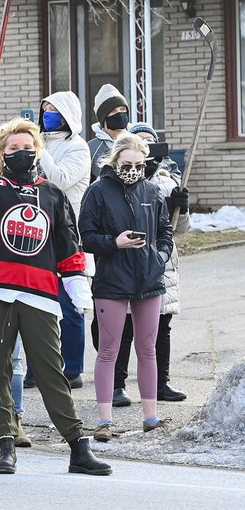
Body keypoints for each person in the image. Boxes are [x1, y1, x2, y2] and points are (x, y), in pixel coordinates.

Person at [0, 115, 111, 476]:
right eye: (13, 148)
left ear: (38, 152)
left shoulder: (52, 194)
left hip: (38, 294)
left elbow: (67, 243)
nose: (21, 152)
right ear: (1, 154)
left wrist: (76, 284)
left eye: (28, 147)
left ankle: (77, 446)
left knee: (50, 370)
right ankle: (5, 445)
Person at [79, 133, 174, 441]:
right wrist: (114, 242)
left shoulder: (153, 190)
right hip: (112, 281)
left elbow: (165, 231)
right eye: (126, 163)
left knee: (148, 350)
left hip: (149, 280)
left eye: (137, 164)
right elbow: (86, 236)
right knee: (108, 350)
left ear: (145, 163)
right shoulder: (98, 191)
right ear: (115, 161)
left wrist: (159, 258)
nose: (132, 169)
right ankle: (104, 420)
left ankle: (151, 416)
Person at [103, 124, 190, 405]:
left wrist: (182, 207)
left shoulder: (165, 183)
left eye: (149, 143)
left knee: (160, 328)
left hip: (159, 267)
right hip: (123, 268)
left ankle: (160, 383)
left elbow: (178, 229)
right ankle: (117, 385)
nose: (144, 149)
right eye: (139, 141)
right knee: (124, 328)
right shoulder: (112, 185)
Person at [33, 91, 91, 389]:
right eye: (45, 109)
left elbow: (59, 180)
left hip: (67, 232)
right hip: (37, 231)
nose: (47, 114)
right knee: (36, 304)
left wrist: (37, 148)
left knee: (69, 304)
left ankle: (72, 367)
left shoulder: (77, 148)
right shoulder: (39, 143)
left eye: (54, 110)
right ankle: (38, 366)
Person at [87, 84, 130, 181]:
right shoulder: (92, 148)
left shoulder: (139, 141)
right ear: (103, 118)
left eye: (122, 109)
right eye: (113, 111)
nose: (119, 114)